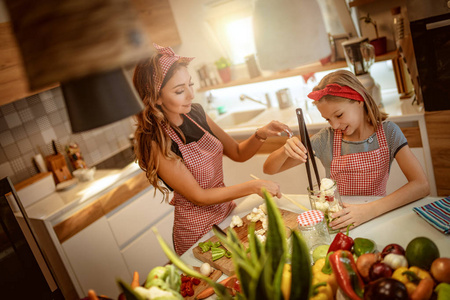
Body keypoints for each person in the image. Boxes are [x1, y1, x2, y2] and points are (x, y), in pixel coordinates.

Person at [133, 43, 292, 255]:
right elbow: (199, 196)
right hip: (196, 232)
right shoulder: (157, 141)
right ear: (156, 97)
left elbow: (237, 152)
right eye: (180, 91)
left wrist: (260, 134)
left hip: (226, 214)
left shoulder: (196, 113)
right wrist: (254, 186)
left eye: (190, 85)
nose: (190, 95)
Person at [263, 70, 429, 231]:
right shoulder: (326, 139)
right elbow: (270, 169)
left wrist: (369, 211)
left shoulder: (388, 133)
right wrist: (285, 150)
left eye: (339, 115)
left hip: (377, 216)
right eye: (328, 119)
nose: (334, 125)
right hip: (338, 222)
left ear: (359, 100)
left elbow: (421, 185)